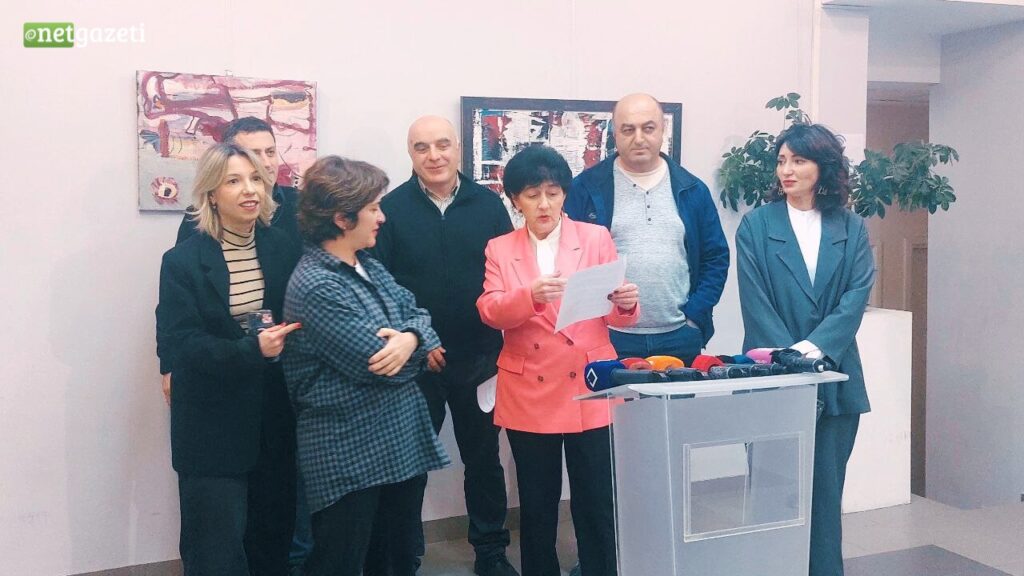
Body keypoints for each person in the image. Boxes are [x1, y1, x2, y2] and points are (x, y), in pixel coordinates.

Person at [281, 155, 450, 576]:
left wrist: (411, 338)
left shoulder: (366, 263)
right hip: (348, 454)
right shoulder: (316, 284)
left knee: (394, 559)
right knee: (339, 562)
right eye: (373, 208)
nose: (382, 217)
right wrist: (417, 347)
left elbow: (418, 311)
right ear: (342, 218)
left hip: (396, 445)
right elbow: (378, 365)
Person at [476, 146, 639, 576]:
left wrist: (625, 302)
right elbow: (490, 310)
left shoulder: (595, 237)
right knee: (536, 504)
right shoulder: (499, 248)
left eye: (552, 192)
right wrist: (528, 297)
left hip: (589, 382)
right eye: (532, 195)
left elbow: (615, 310)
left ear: (565, 193)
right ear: (516, 200)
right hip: (530, 387)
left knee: (596, 499)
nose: (544, 204)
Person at [162, 115, 311, 575]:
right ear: (211, 193)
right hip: (211, 422)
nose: (250, 189)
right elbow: (182, 343)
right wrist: (252, 351)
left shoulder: (282, 247)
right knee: (215, 549)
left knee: (272, 540)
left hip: (272, 417)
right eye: (234, 181)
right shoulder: (183, 260)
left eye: (255, 179)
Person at [371, 116, 517, 576]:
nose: (433, 155)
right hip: (418, 363)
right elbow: (380, 285)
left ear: (458, 148)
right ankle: (405, 558)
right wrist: (417, 341)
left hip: (481, 358)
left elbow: (506, 274)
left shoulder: (488, 205)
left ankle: (490, 553)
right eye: (421, 147)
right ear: (410, 153)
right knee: (409, 466)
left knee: (484, 461)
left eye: (441, 145)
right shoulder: (390, 209)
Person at [735, 123, 874, 576]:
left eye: (798, 160)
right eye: (781, 161)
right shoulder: (756, 225)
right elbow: (755, 304)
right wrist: (792, 360)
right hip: (773, 379)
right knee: (772, 494)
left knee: (825, 499)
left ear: (823, 167)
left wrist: (816, 350)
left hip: (835, 382)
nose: (786, 170)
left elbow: (856, 297)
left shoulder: (851, 227)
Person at [565, 93, 728, 364]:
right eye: (628, 130)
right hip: (608, 337)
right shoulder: (585, 188)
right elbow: (568, 257)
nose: (639, 138)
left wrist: (694, 317)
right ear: (615, 134)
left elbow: (716, 258)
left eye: (648, 128)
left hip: (679, 335)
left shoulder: (692, 189)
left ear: (662, 130)